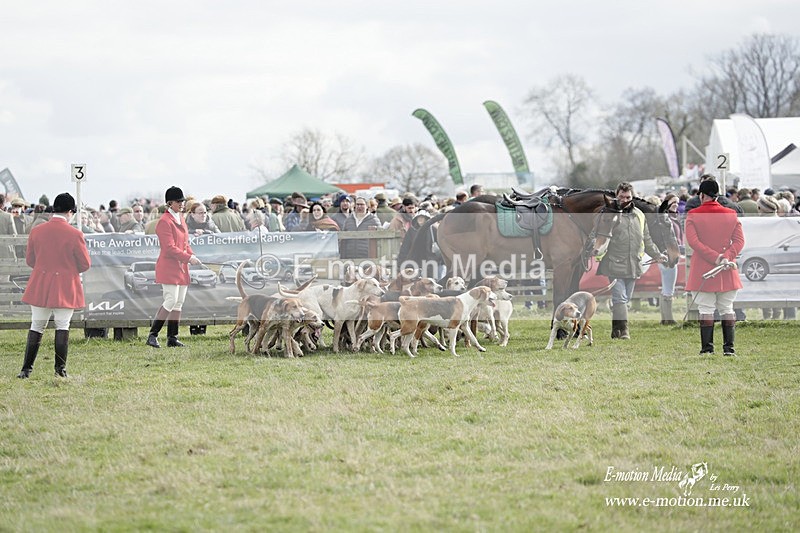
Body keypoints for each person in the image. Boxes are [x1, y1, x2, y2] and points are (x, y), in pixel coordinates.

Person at [17, 192, 91, 378]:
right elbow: (85, 264)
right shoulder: (75, 234)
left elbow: (30, 260)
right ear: (70, 211)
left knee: (37, 325)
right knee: (62, 325)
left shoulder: (37, 231)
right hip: (66, 285)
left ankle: (26, 370)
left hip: (41, 283)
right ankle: (60, 370)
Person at [597, 182, 666, 340]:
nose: (625, 200)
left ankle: (615, 330)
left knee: (624, 300)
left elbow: (646, 239)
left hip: (634, 264)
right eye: (621, 197)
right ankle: (624, 331)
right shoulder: (609, 214)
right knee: (620, 298)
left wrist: (656, 255)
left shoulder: (640, 215)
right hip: (614, 263)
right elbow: (600, 235)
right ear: (617, 196)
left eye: (628, 197)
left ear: (632, 197)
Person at [685, 179, 745, 355]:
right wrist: (726, 257)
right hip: (726, 268)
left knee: (706, 309)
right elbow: (740, 241)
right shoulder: (731, 214)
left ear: (702, 195)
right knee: (727, 308)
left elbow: (693, 242)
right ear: (717, 195)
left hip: (704, 268)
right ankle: (729, 349)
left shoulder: (693, 215)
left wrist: (715, 258)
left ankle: (707, 349)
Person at [146, 186, 201, 348]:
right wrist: (188, 258)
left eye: (183, 201)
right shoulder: (164, 222)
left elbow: (185, 243)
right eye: (179, 201)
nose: (182, 204)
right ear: (170, 203)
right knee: (170, 300)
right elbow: (169, 248)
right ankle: (152, 335)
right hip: (169, 266)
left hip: (181, 266)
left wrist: (192, 255)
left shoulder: (180, 219)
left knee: (179, 302)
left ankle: (172, 337)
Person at [658, 193, 684, 325]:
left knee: (669, 287)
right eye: (673, 202)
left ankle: (666, 317)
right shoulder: (664, 218)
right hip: (668, 255)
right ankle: (667, 318)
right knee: (668, 288)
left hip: (674, 254)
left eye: (677, 202)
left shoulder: (675, 218)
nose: (676, 205)